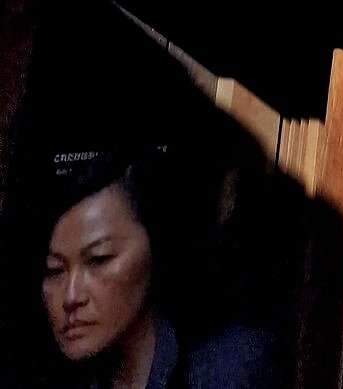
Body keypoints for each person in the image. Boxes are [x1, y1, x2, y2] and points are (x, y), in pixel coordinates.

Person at [37, 156, 277, 389]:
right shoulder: (38, 374)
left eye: (99, 259)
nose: (71, 296)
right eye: (54, 270)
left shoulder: (228, 368)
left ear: (155, 247)